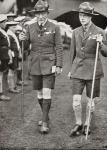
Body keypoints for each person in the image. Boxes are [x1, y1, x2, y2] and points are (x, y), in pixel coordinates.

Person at [19, 0, 63, 134]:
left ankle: (44, 123)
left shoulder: (54, 27)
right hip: (35, 64)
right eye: (38, 13)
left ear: (47, 13)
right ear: (35, 14)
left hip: (49, 64)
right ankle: (46, 116)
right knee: (39, 93)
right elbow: (25, 47)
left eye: (43, 13)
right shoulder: (29, 27)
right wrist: (23, 39)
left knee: (46, 92)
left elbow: (59, 47)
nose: (41, 16)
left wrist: (59, 65)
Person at [68, 2, 107, 137]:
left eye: (85, 15)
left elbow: (106, 53)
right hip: (77, 69)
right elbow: (72, 52)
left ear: (91, 17)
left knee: (90, 101)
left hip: (93, 70)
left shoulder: (100, 31)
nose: (83, 18)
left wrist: (100, 43)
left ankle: (87, 124)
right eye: (81, 15)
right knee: (75, 99)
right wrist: (70, 69)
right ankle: (78, 123)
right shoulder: (75, 32)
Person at [6, 21, 22, 93]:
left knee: (13, 71)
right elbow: (8, 47)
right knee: (11, 72)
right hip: (12, 55)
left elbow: (17, 45)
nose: (15, 28)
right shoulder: (9, 35)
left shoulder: (12, 34)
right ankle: (11, 88)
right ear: (9, 27)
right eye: (13, 27)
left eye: (15, 27)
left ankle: (13, 86)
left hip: (15, 54)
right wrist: (11, 57)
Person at [0, 14, 11, 101]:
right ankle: (1, 94)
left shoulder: (2, 31)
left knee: (1, 75)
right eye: (3, 22)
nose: (5, 24)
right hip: (1, 57)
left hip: (4, 56)